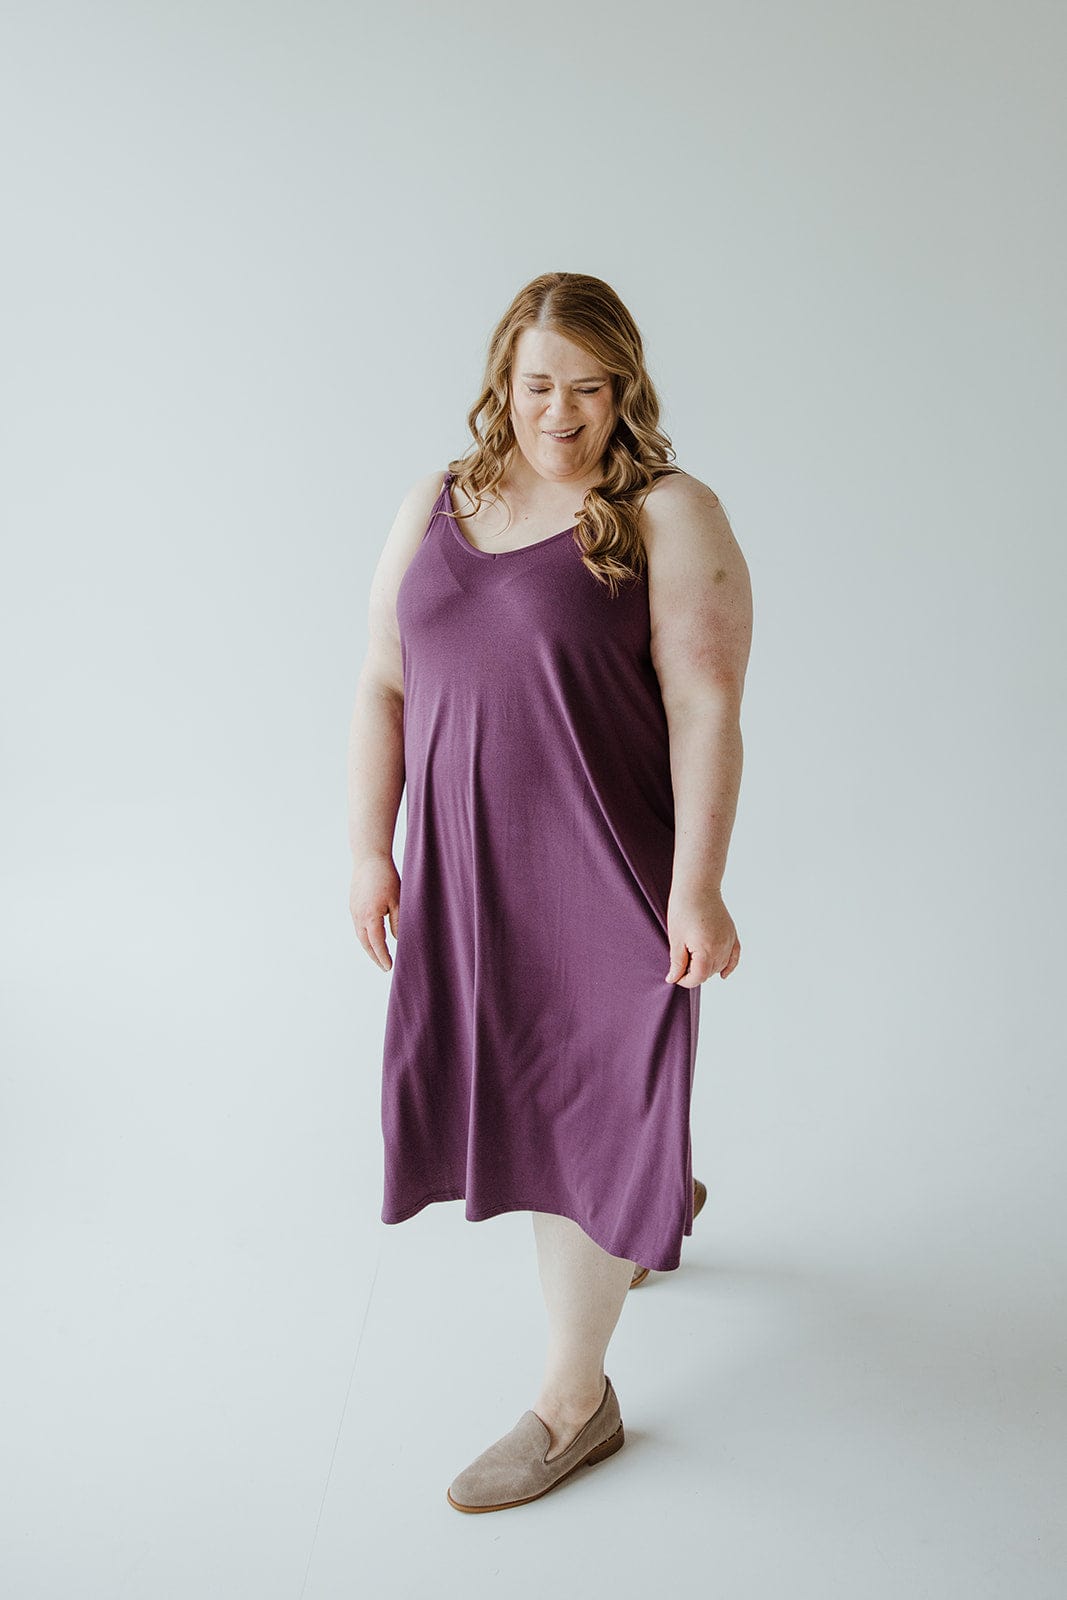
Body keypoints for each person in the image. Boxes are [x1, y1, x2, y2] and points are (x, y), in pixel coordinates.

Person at [346, 271, 752, 1512]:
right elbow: (383, 683)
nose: (559, 414)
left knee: (573, 1097)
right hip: (470, 871)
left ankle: (576, 1402)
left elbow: (703, 708)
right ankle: (644, 1184)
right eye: (536, 385)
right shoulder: (438, 500)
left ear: (621, 390)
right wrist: (371, 845)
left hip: (598, 868)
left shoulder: (664, 513)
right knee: (538, 1083)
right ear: (500, 380)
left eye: (586, 389)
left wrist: (697, 890)